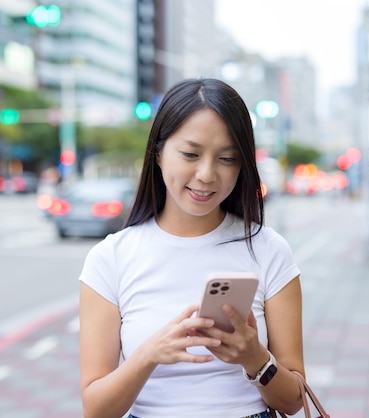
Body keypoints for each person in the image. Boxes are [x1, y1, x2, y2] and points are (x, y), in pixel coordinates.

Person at [78, 78, 304, 418]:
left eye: (227, 158)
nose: (206, 174)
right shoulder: (110, 258)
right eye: (190, 154)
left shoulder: (269, 250)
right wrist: (149, 353)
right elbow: (96, 410)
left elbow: (293, 400)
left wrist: (254, 357)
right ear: (157, 152)